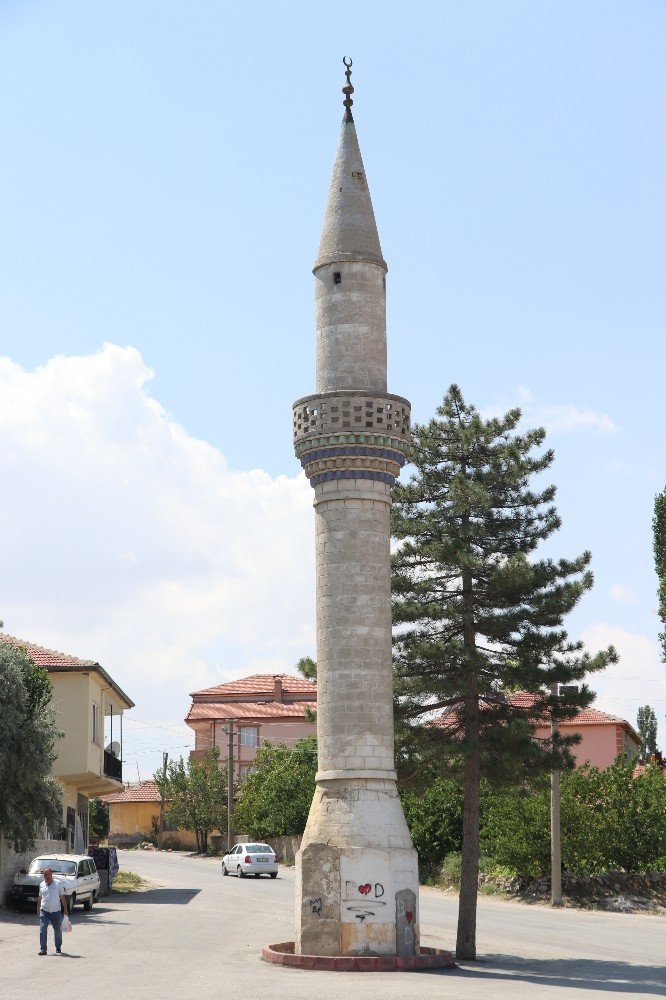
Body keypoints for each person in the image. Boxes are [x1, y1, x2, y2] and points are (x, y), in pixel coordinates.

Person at [36, 867, 68, 955]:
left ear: (51, 874)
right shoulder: (42, 884)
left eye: (48, 875)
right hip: (44, 910)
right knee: (42, 929)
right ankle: (43, 949)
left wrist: (65, 909)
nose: (46, 877)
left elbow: (62, 897)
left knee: (57, 930)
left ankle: (58, 947)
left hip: (56, 911)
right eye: (44, 875)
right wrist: (38, 909)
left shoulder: (58, 884)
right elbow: (40, 897)